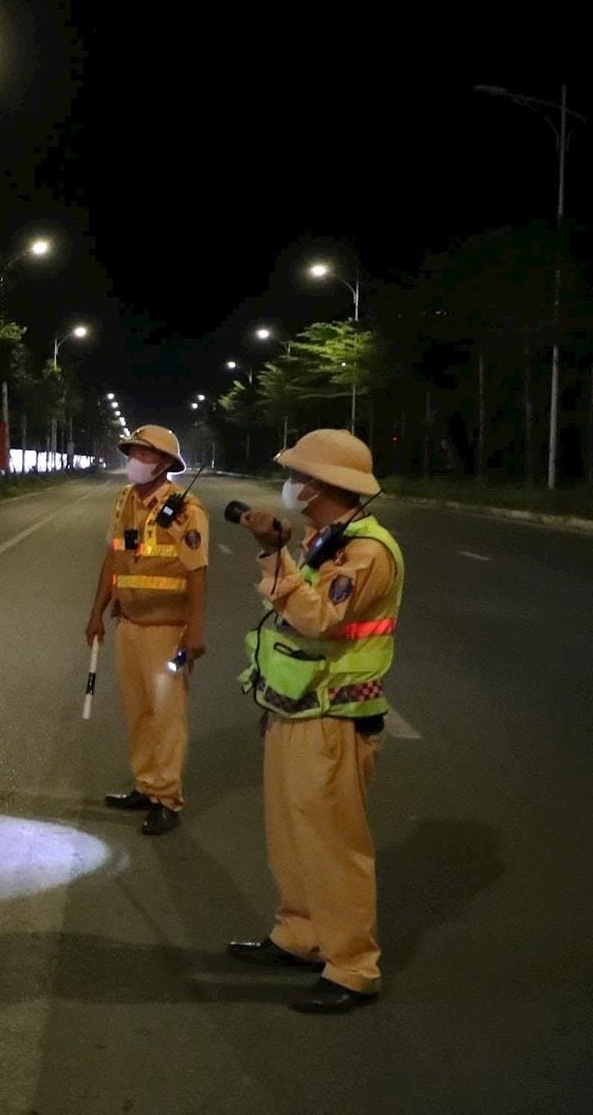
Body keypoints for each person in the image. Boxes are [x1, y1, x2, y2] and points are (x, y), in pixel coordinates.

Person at [229, 428, 402, 1014]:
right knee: (290, 833)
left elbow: (318, 619)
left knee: (332, 846)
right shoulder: (328, 540)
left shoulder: (366, 552)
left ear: (324, 485)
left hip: (336, 716)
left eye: (299, 475)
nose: (292, 484)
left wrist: (270, 554)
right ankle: (300, 934)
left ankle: (352, 966)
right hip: (299, 709)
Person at [84, 424, 209, 835]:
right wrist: (96, 612)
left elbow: (197, 571)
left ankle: (166, 799)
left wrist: (195, 629)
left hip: (167, 630)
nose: (136, 460)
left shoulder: (186, 509)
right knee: (137, 712)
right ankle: (145, 784)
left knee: (166, 717)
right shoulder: (124, 500)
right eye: (134, 452)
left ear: (166, 464)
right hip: (129, 624)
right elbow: (113, 558)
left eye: (146, 454)